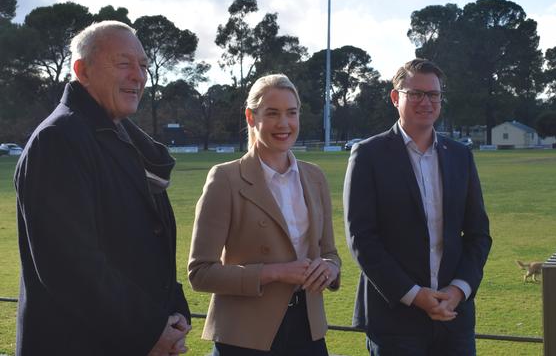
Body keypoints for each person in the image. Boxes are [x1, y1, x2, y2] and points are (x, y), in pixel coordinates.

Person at [14, 21, 191, 356]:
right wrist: (150, 328)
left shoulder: (122, 140)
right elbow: (70, 267)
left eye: (143, 66)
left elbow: (145, 246)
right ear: (82, 70)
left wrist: (173, 309)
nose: (138, 76)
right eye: (124, 64)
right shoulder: (58, 140)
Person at [343, 58, 491, 356]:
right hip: (395, 319)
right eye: (416, 93)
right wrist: (414, 295)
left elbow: (478, 235)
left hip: (454, 318)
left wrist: (458, 290)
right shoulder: (368, 155)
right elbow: (362, 238)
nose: (427, 101)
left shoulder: (461, 156)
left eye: (433, 94)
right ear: (396, 97)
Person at [188, 74, 341, 356]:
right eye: (272, 114)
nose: (284, 124)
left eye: (291, 113)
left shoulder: (315, 177)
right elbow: (200, 273)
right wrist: (277, 272)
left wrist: (330, 269)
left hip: (307, 332)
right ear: (251, 117)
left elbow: (330, 253)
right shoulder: (225, 178)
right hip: (245, 337)